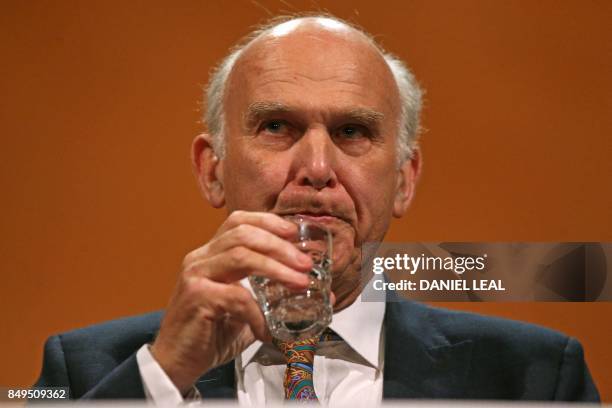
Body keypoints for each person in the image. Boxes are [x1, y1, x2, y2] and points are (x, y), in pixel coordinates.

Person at [34, 15, 600, 404]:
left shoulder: (533, 377)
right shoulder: (84, 371)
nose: (318, 167)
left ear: (403, 181)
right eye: (278, 127)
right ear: (213, 169)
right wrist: (162, 379)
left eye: (353, 132)